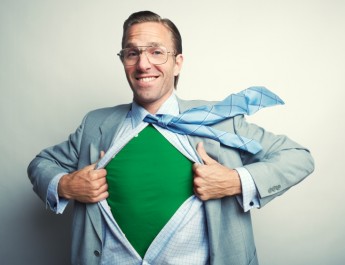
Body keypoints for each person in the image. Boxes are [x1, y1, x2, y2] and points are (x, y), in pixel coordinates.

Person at [28, 10, 314, 265]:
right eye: (132, 53)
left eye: (156, 52)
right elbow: (41, 164)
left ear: (177, 63)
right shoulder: (96, 123)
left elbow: (298, 157)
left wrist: (235, 181)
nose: (143, 64)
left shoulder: (221, 122)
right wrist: (65, 184)